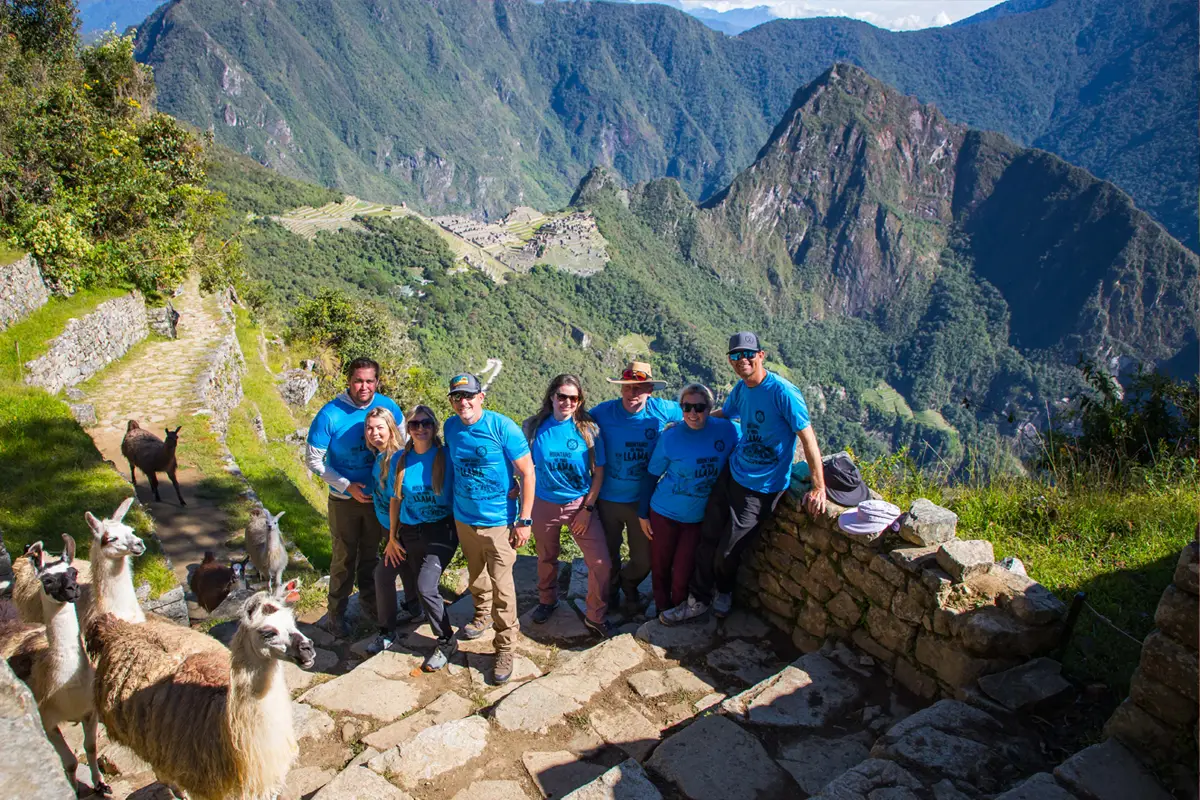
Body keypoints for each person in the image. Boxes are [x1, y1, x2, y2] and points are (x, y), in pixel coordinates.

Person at [660, 332, 826, 625]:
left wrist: (819, 486)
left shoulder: (783, 393)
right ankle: (697, 601)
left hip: (763, 487)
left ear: (761, 356)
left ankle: (723, 591)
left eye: (748, 354)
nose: (742, 360)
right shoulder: (742, 389)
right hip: (733, 472)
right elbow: (727, 412)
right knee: (708, 537)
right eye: (736, 356)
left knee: (728, 550)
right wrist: (693, 420)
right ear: (730, 360)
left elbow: (807, 438)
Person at [443, 373, 536, 684]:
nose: (463, 402)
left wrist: (524, 520)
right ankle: (481, 615)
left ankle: (505, 647)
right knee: (476, 573)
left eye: (469, 396)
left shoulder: (502, 427)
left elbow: (527, 473)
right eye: (457, 397)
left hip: (499, 521)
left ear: (481, 397)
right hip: (465, 517)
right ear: (452, 401)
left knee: (503, 586)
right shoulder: (451, 427)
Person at [306, 357, 404, 636]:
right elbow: (314, 460)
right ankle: (335, 613)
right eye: (358, 380)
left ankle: (370, 604)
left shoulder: (388, 408)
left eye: (369, 381)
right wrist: (347, 485)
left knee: (372, 555)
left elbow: (403, 446)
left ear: (377, 382)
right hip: (344, 500)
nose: (364, 386)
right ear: (348, 381)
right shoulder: (330, 414)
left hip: (378, 499)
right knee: (343, 556)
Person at [366, 405, 460, 671]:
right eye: (415, 425)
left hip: (441, 529)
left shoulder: (446, 456)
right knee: (383, 575)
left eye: (426, 423)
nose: (420, 429)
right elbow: (396, 499)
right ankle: (387, 632)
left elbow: (471, 473)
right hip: (408, 530)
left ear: (434, 427)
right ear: (407, 430)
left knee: (426, 585)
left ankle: (445, 640)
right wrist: (392, 538)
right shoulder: (400, 459)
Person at [524, 374, 613, 638]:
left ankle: (595, 614)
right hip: (543, 503)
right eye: (562, 396)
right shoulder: (533, 427)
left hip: (578, 504)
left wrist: (587, 509)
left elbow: (599, 472)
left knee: (600, 562)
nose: (567, 402)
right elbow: (525, 466)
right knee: (546, 557)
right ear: (551, 396)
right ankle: (547, 601)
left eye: (573, 398)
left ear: (580, 401)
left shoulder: (588, 430)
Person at [591, 361, 683, 617]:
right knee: (608, 554)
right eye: (629, 387)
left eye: (640, 388)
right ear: (621, 389)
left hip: (642, 502)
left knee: (644, 559)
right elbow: (573, 424)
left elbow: (695, 414)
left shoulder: (662, 410)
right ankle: (611, 595)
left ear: (650, 390)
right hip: (607, 499)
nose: (634, 393)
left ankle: (629, 583)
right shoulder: (602, 413)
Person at [637, 383, 738, 614]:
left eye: (700, 407)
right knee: (660, 565)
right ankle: (662, 608)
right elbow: (652, 475)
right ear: (681, 408)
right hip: (663, 512)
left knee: (683, 570)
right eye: (687, 407)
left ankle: (679, 608)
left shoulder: (726, 431)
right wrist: (643, 513)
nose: (693, 413)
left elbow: (751, 438)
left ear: (710, 407)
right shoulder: (671, 437)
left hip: (696, 517)